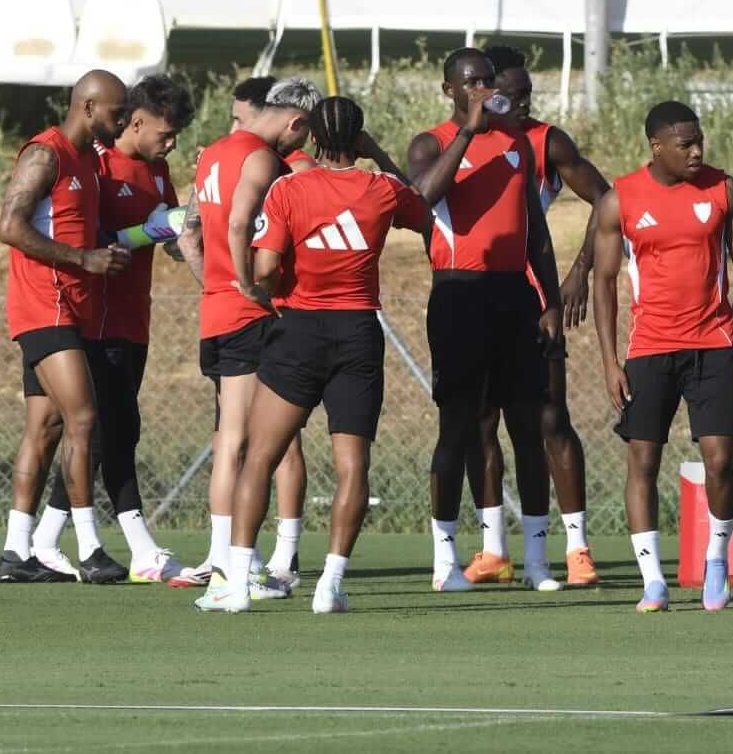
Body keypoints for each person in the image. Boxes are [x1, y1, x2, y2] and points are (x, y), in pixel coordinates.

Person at [196, 97, 429, 613]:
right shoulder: (381, 190)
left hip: (298, 330)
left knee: (260, 457)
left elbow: (266, 267)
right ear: (360, 136)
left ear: (314, 137)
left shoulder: (289, 188)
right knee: (352, 465)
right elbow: (421, 206)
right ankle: (330, 586)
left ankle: (235, 586)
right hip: (358, 334)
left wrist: (263, 291)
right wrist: (379, 156)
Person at [590, 100, 733, 612]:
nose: (696, 151)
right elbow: (603, 283)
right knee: (642, 459)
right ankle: (653, 581)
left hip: (713, 343)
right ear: (657, 146)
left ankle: (716, 559)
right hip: (650, 347)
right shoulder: (618, 199)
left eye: (700, 141)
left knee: (720, 461)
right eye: (685, 144)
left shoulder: (723, 189)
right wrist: (608, 360)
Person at [409, 48, 564, 593]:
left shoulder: (518, 141)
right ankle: (445, 560)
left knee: (529, 425)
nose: (482, 88)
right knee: (461, 426)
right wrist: (468, 135)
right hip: (457, 294)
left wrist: (549, 299)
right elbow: (423, 198)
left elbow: (535, 230)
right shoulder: (432, 142)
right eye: (471, 82)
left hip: (513, 294)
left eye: (487, 81)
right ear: (449, 88)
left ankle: (539, 562)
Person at [32, 76, 195, 583]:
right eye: (165, 135)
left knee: (107, 434)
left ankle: (42, 538)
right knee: (114, 431)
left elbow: (164, 235)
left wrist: (186, 232)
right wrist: (149, 229)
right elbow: (86, 237)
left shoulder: (159, 170)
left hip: (134, 317)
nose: (171, 145)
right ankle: (142, 550)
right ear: (137, 120)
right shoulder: (95, 164)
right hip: (92, 318)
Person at [461, 46, 611, 587]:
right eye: (513, 93)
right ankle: (494, 550)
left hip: (532, 302)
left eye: (529, 94)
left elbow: (607, 199)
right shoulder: (456, 144)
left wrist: (578, 272)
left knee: (550, 420)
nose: (524, 103)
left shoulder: (546, 141)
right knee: (481, 424)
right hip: (475, 299)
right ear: (482, 91)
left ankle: (576, 550)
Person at [174, 77, 320, 596]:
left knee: (230, 440)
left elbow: (189, 233)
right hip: (246, 313)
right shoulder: (262, 158)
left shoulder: (212, 153)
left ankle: (232, 559)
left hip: (214, 312)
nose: (299, 148)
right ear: (295, 121)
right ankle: (236, 567)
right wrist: (250, 285)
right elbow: (239, 225)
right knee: (260, 441)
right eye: (302, 137)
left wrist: (216, 280)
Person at [0, 69, 130, 584]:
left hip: (73, 306)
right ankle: (91, 548)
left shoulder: (90, 162)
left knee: (46, 427)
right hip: (43, 305)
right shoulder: (45, 154)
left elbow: (83, 228)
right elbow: (10, 225)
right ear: (89, 108)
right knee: (84, 418)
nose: (120, 124)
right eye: (116, 114)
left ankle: (15, 552)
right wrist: (84, 258)